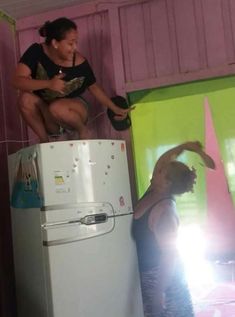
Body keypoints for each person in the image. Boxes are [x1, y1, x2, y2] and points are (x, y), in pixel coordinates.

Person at [12, 17, 129, 143]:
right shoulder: (36, 51)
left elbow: (94, 87)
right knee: (25, 99)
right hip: (49, 114)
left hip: (74, 110)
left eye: (76, 43)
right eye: (70, 43)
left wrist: (114, 107)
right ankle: (45, 142)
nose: (75, 48)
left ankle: (82, 130)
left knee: (56, 107)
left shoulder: (79, 61)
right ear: (55, 43)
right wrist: (49, 83)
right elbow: (16, 81)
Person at [133, 141, 215, 317]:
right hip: (151, 277)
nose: (157, 170)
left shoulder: (165, 213)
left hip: (163, 282)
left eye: (161, 172)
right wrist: (189, 148)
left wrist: (158, 293)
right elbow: (164, 160)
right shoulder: (154, 190)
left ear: (168, 183)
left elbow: (170, 255)